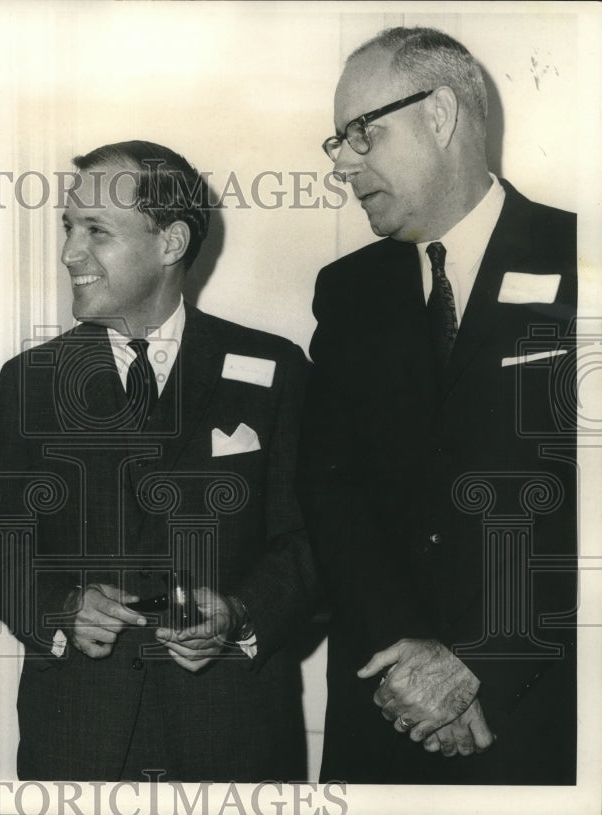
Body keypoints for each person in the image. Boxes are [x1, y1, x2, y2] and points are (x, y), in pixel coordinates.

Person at [0, 140, 316, 782]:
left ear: (170, 241)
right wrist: (60, 609)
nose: (71, 252)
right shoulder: (31, 380)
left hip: (230, 735)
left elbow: (307, 541)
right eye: (69, 228)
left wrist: (239, 613)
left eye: (97, 231)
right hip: (79, 738)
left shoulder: (274, 371)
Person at [299, 27, 577, 784]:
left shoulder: (579, 258)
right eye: (338, 141)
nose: (344, 161)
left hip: (541, 710)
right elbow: (331, 493)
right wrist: (410, 661)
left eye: (363, 132)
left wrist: (479, 663)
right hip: (384, 706)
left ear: (442, 114)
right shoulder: (348, 291)